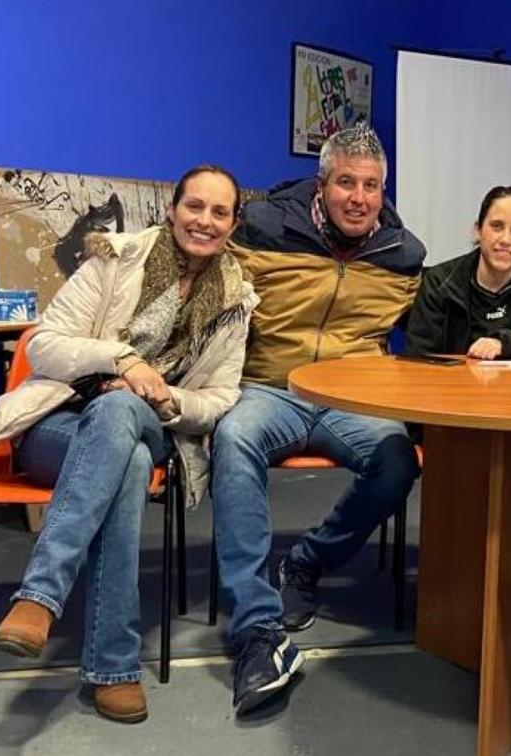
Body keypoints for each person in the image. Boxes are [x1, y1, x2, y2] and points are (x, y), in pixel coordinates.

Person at [0, 165, 257, 723]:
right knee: (126, 459)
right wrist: (122, 361)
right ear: (172, 210)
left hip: (155, 421)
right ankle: (112, 668)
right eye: (194, 206)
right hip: (57, 422)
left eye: (219, 212)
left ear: (232, 224)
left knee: (122, 411)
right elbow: (45, 345)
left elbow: (222, 396)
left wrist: (166, 397)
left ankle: (40, 597)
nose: (204, 221)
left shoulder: (236, 300)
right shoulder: (115, 259)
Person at [210, 123, 426, 714]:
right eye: (346, 183)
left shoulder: (404, 255)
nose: (359, 198)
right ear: (322, 184)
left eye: (371, 186)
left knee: (397, 459)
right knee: (233, 437)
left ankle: (306, 564)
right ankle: (257, 629)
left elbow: (435, 326)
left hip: (354, 398)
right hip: (270, 388)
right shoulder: (262, 229)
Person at [405, 185, 511, 359]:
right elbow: (419, 355)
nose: (505, 239)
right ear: (478, 230)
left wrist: (504, 344)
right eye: (497, 226)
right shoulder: (439, 283)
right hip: (456, 378)